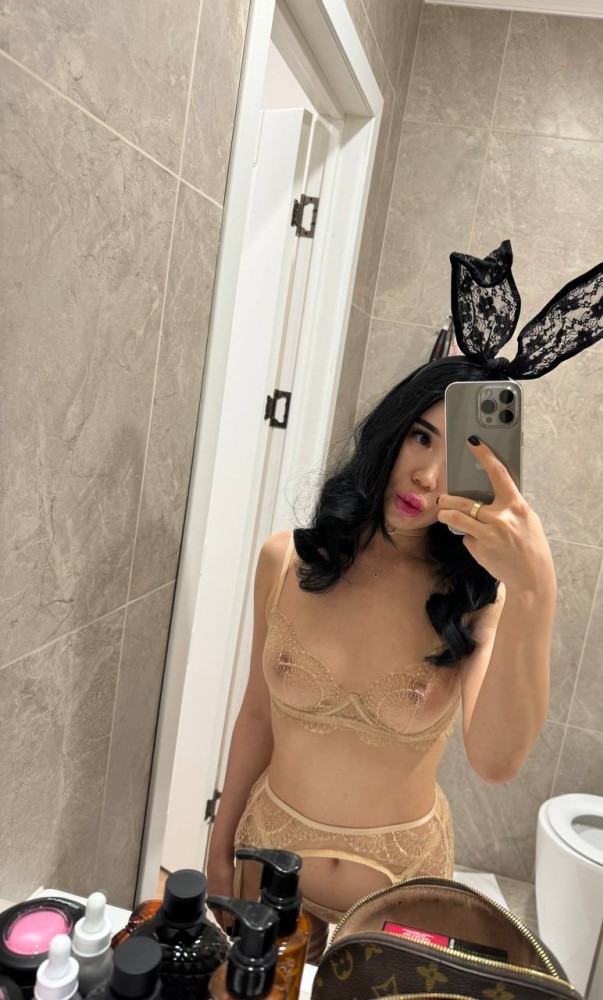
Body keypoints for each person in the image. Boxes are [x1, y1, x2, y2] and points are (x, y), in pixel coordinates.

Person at [206, 354, 556, 962]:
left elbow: (497, 761)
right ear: (391, 431)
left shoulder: (473, 604)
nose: (427, 475)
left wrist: (535, 590)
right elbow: (257, 715)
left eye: (461, 459)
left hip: (399, 900)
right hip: (265, 866)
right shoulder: (286, 562)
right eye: (421, 437)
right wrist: (218, 847)